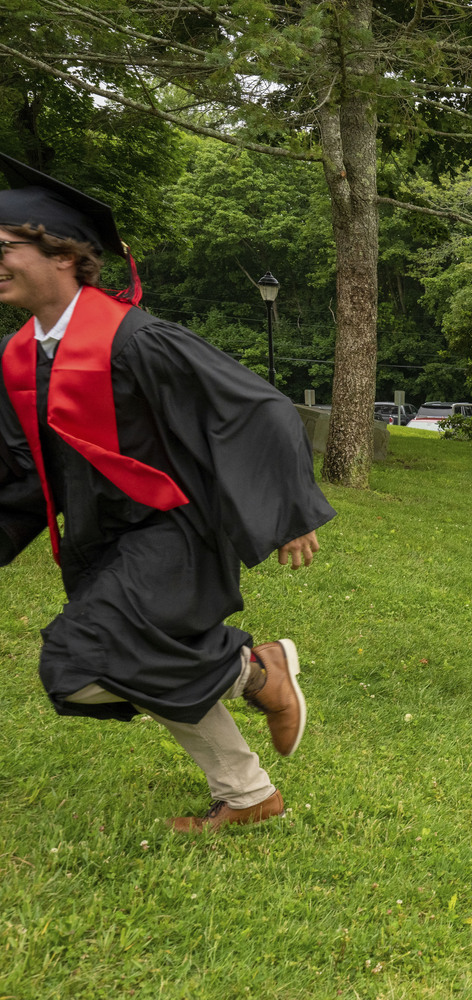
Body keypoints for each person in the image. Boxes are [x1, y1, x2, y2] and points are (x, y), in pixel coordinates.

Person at [0, 153, 334, 831]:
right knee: (130, 659)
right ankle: (248, 795)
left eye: (5, 247)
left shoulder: (136, 339)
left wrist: (288, 505)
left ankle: (252, 674)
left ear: (62, 254)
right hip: (102, 542)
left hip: (172, 531)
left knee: (77, 662)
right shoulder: (19, 357)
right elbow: (26, 472)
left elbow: (252, 408)